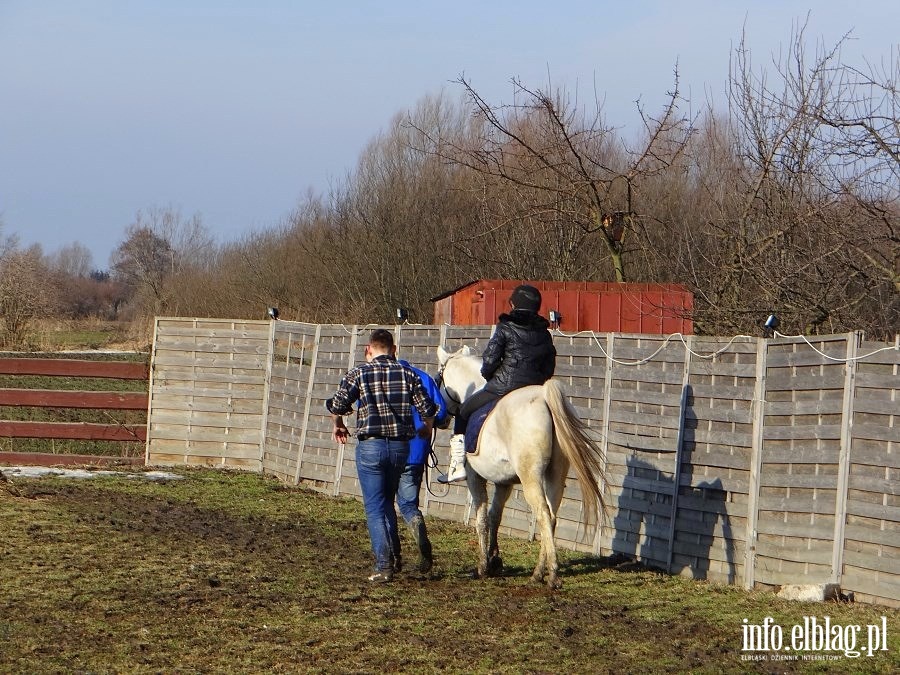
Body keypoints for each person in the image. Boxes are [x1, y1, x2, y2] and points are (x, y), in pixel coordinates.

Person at [327, 329, 437, 583]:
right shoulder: (408, 374)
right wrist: (425, 428)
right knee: (388, 500)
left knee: (375, 507)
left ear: (368, 349)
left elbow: (337, 405)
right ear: (394, 349)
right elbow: (428, 408)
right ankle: (395, 556)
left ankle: (384, 564)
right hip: (401, 448)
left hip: (371, 447)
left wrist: (338, 423)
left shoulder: (360, 373)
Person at [439, 284, 557, 484]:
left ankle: (457, 464)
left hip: (504, 386)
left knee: (464, 411)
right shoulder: (545, 333)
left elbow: (490, 359)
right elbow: (549, 365)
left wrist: (489, 375)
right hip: (536, 389)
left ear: (513, 304)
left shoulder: (505, 327)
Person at [394, 359, 449, 573]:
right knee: (408, 504)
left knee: (384, 505)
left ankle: (392, 557)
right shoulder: (423, 377)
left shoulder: (378, 375)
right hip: (416, 451)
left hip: (384, 451)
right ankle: (417, 525)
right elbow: (441, 413)